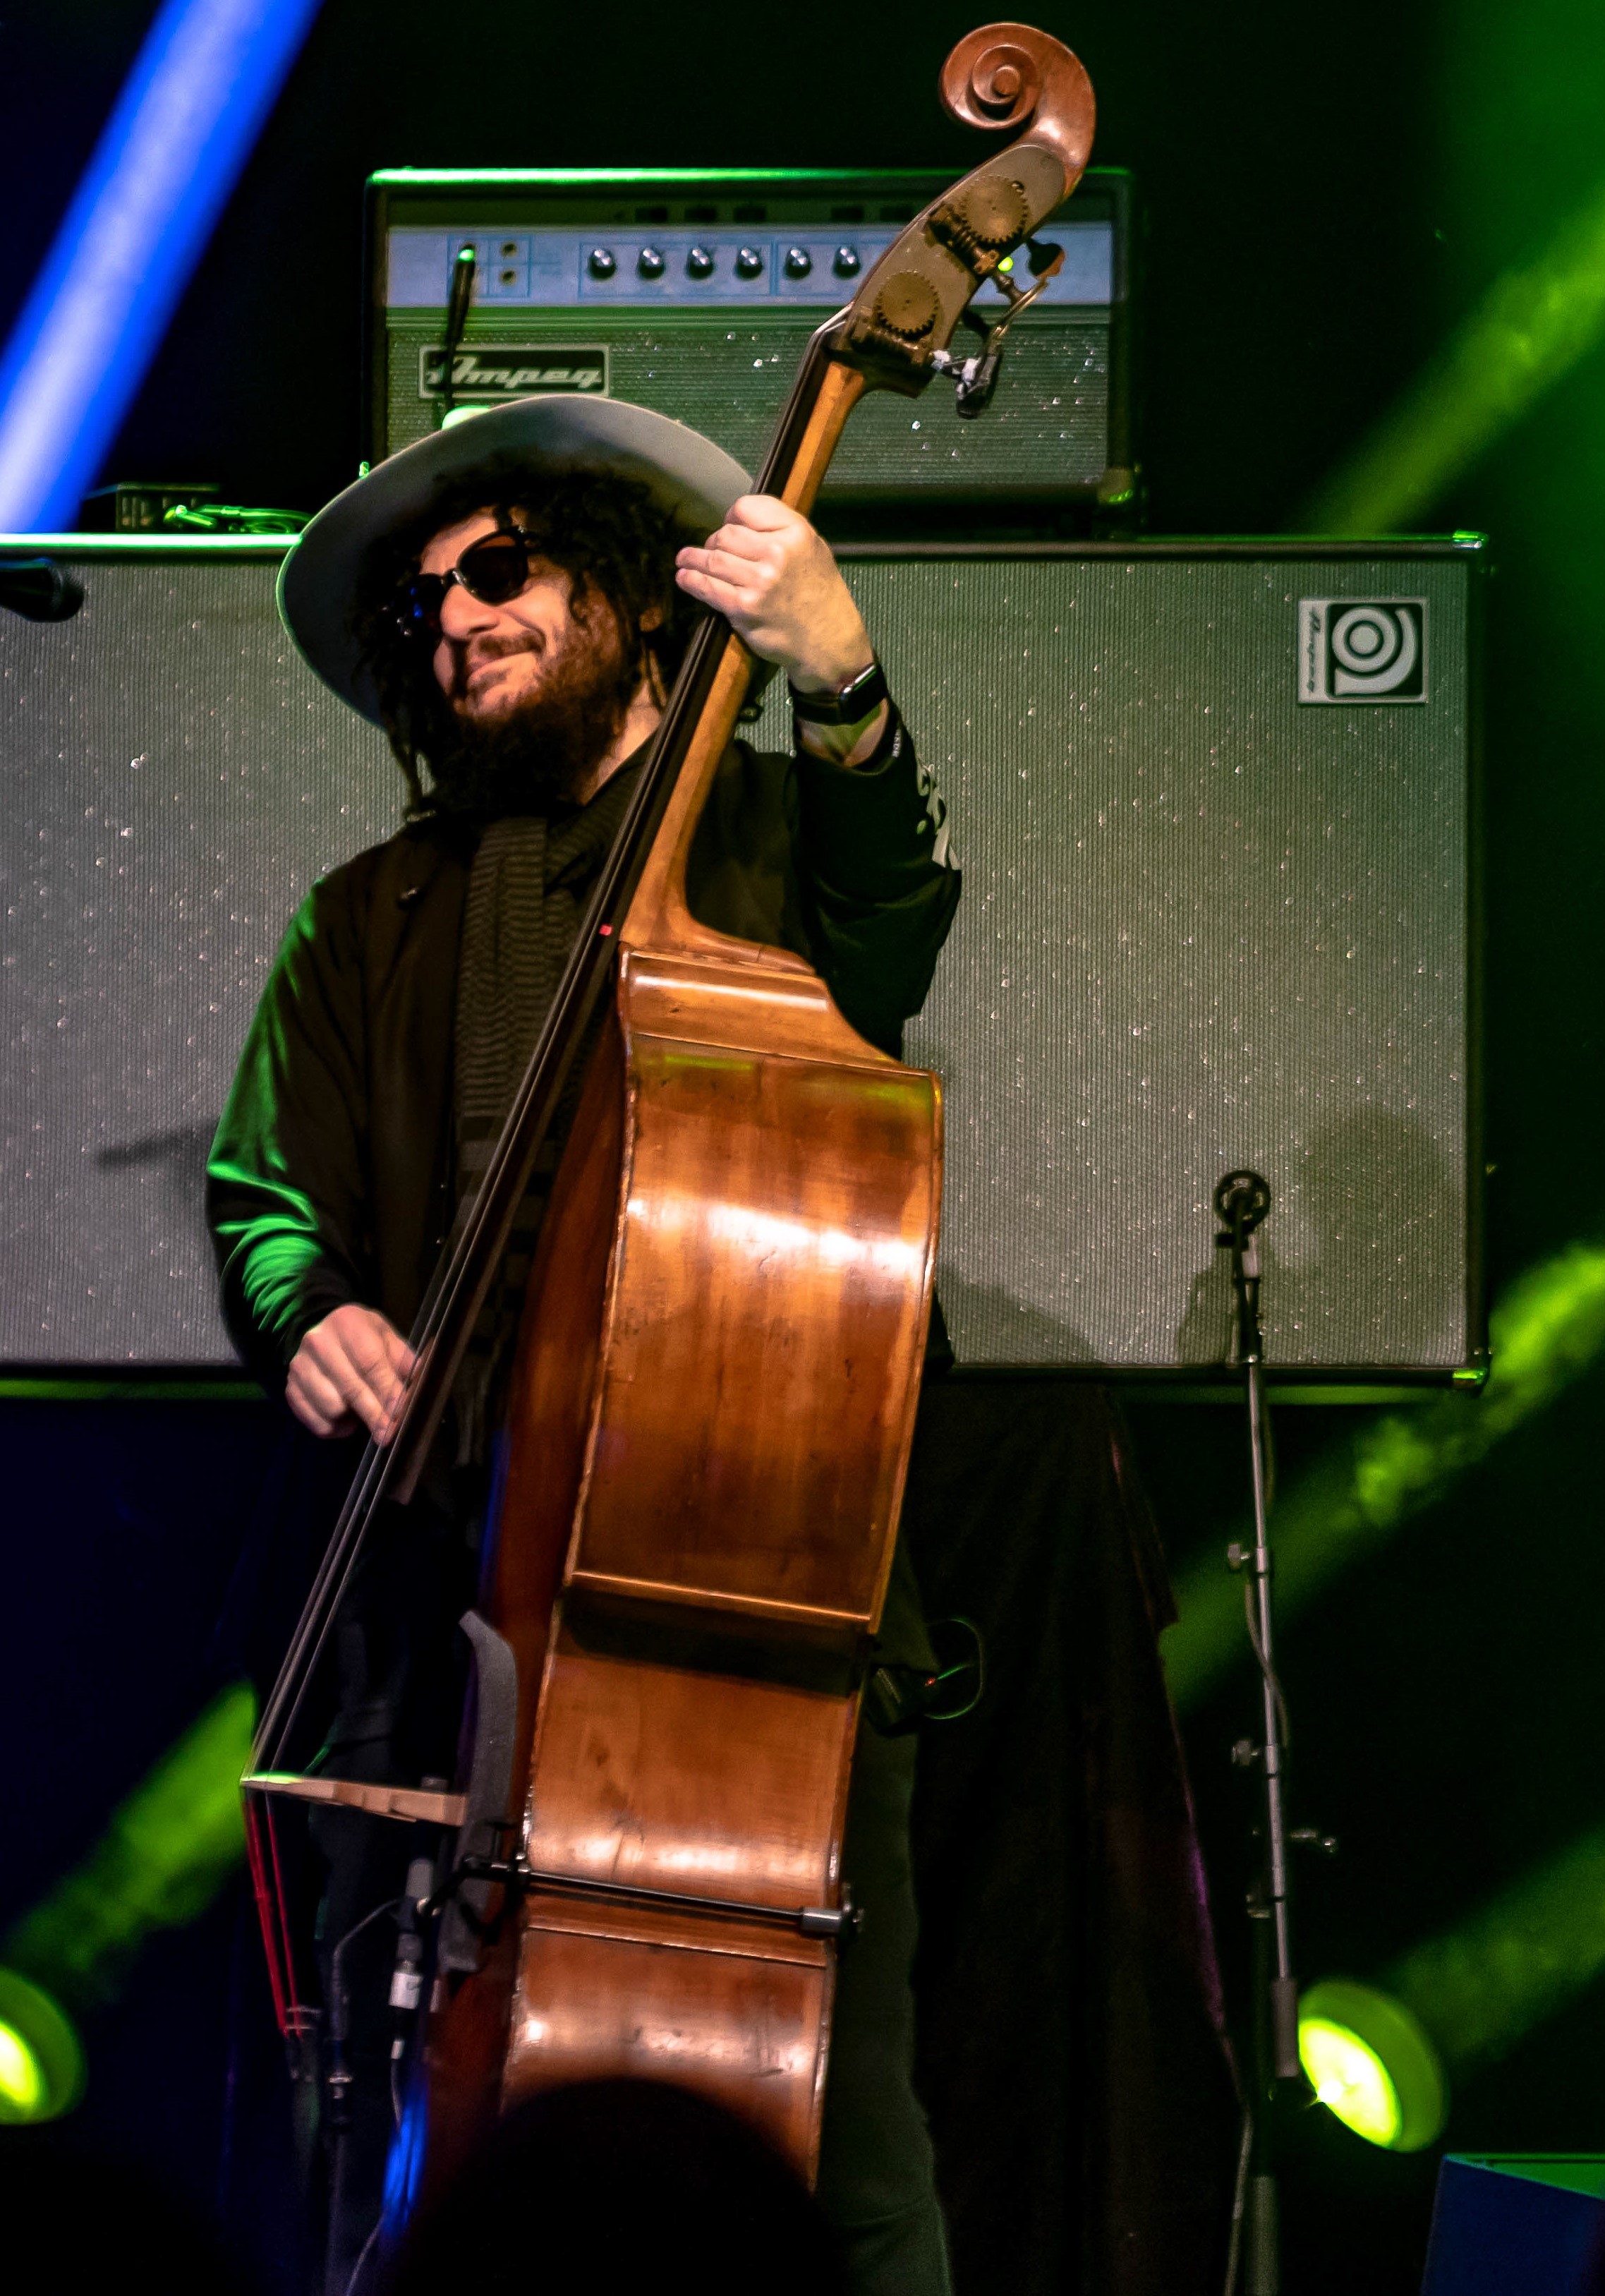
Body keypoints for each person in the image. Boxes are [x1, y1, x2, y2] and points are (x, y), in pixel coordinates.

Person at [206, 395, 960, 2296]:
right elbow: (266, 1187)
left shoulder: (763, 844)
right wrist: (312, 1311)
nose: (452, 619)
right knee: (414, 2135)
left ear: (619, 591)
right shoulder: (362, 918)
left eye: (497, 568)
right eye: (416, 617)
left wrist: (845, 685)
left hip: (740, 1627)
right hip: (448, 1611)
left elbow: (889, 923)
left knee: (836, 2149)